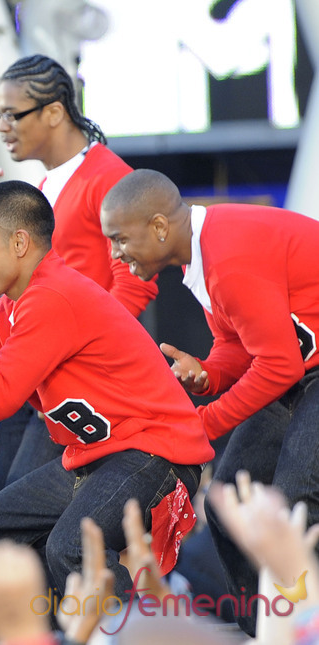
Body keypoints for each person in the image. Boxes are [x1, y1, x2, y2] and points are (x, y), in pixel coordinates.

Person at [0, 180, 213, 601]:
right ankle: (52, 627)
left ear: (19, 243)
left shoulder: (51, 294)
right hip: (98, 459)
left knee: (71, 548)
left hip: (157, 454)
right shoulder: (6, 311)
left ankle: (143, 629)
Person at [100, 168, 319, 635]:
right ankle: (264, 631)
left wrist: (205, 421)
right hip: (303, 373)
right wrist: (209, 372)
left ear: (160, 227)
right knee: (225, 505)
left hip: (302, 373)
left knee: (295, 504)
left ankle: (301, 631)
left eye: (120, 239)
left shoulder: (227, 255)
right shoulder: (205, 250)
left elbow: (279, 365)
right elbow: (241, 346)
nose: (115, 254)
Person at [0, 54, 159, 496]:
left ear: (54, 112)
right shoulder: (46, 187)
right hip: (31, 377)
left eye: (11, 114)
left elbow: (136, 281)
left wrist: (80, 361)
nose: (2, 126)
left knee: (16, 518)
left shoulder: (108, 177)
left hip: (70, 384)